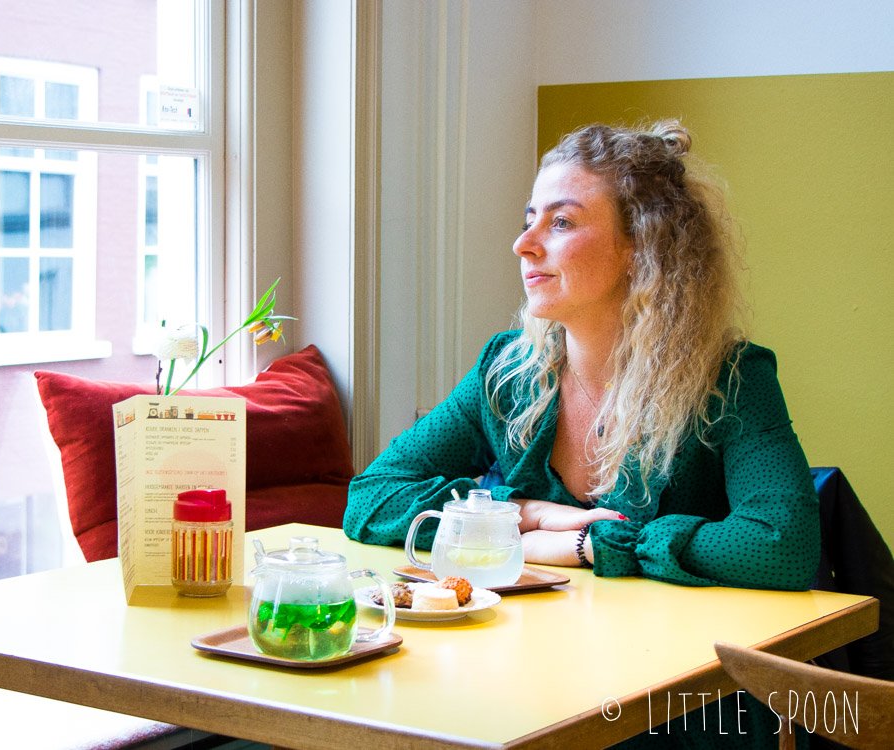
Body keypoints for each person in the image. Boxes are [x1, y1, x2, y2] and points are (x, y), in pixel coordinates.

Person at [345, 119, 822, 748]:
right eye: (529, 218)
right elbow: (371, 497)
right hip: (527, 683)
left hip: (681, 706)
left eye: (561, 223)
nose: (524, 244)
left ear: (641, 248)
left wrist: (595, 548)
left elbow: (782, 544)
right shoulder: (507, 373)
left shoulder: (731, 378)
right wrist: (519, 518)